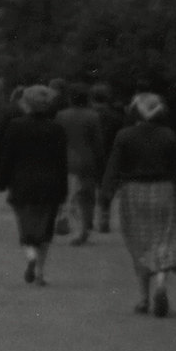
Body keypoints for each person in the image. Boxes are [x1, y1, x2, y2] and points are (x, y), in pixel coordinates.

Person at [102, 91, 176, 317]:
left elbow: (113, 168)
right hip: (165, 190)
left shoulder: (124, 135)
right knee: (165, 239)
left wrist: (106, 195)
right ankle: (161, 281)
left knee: (139, 243)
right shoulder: (168, 135)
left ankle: (143, 298)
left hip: (133, 193)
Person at [0, 85, 70, 285]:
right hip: (51, 184)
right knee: (46, 230)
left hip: (22, 183)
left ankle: (30, 256)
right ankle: (40, 272)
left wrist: (1, 181)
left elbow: (7, 158)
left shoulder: (16, 126)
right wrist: (64, 190)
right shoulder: (57, 129)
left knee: (26, 226)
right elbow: (62, 162)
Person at [55, 84, 105, 245]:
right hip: (87, 159)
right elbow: (97, 143)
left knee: (69, 193)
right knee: (87, 195)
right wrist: (101, 161)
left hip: (65, 159)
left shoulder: (61, 115)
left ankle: (71, 223)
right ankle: (86, 226)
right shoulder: (93, 116)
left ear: (70, 99)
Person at [89, 83, 125, 232]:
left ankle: (88, 218)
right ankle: (104, 216)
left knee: (89, 188)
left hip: (91, 155)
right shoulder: (116, 117)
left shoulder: (89, 115)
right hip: (110, 155)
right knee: (106, 187)